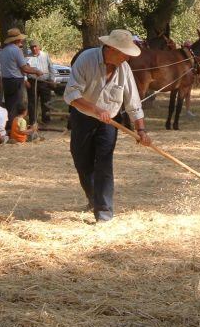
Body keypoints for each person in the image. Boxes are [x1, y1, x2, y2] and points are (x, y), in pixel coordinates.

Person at [64, 29, 152, 223]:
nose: (128, 58)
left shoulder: (124, 69)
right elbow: (71, 94)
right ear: (111, 48)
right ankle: (94, 198)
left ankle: (104, 212)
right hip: (83, 117)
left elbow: (133, 102)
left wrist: (141, 130)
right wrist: (95, 109)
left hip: (109, 123)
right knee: (82, 162)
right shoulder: (86, 60)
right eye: (125, 53)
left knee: (104, 163)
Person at [0, 28, 43, 130]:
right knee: (17, 105)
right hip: (16, 80)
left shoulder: (4, 51)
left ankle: (10, 127)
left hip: (6, 80)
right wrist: (36, 71)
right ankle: (16, 129)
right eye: (20, 40)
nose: (21, 41)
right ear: (18, 40)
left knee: (9, 104)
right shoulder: (16, 50)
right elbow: (24, 68)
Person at [26, 40, 54, 124]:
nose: (34, 48)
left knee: (46, 101)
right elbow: (24, 70)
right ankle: (33, 121)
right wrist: (25, 80)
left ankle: (46, 120)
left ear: (39, 47)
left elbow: (51, 68)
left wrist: (52, 79)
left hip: (44, 81)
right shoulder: (27, 57)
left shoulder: (45, 55)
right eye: (32, 47)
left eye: (35, 46)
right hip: (32, 82)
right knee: (32, 102)